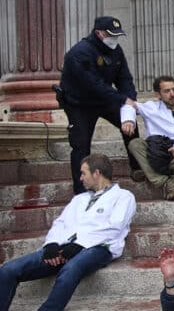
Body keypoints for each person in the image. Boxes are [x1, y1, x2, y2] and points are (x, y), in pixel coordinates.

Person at [0, 154, 136, 311]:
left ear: (97, 173)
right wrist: (52, 245)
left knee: (70, 269)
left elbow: (114, 228)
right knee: (8, 270)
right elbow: (61, 223)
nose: (80, 178)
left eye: (83, 173)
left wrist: (80, 245)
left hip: (100, 247)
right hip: (64, 247)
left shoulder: (124, 197)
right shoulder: (79, 199)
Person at [56, 16, 140, 194]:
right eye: (111, 35)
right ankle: (81, 190)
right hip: (80, 104)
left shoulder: (115, 50)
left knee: (131, 126)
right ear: (98, 33)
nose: (114, 39)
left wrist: (129, 103)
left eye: (117, 35)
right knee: (81, 145)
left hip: (104, 99)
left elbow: (124, 79)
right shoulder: (80, 53)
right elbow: (92, 85)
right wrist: (122, 99)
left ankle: (137, 166)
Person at [122, 75, 174, 201]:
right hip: (158, 152)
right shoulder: (151, 107)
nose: (172, 94)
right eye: (167, 91)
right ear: (158, 94)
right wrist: (128, 120)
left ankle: (155, 172)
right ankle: (166, 181)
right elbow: (128, 104)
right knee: (134, 144)